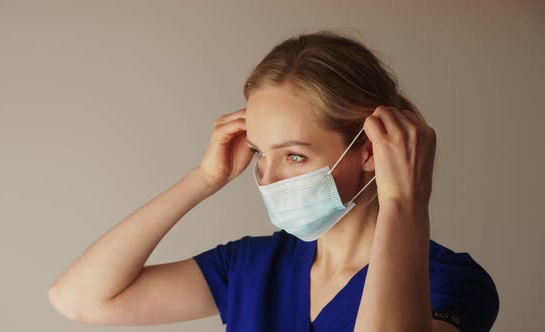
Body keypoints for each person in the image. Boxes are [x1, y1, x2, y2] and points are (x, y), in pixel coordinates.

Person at [48, 30, 499, 332]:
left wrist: (406, 203)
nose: (268, 178)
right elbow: (80, 299)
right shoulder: (250, 266)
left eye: (295, 155)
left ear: (368, 152)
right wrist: (203, 179)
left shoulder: (449, 283)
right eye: (261, 152)